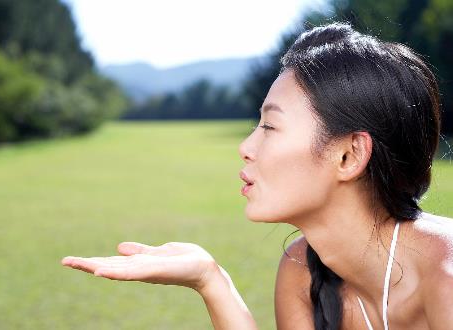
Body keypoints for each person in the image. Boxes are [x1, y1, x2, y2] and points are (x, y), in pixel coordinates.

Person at [61, 23, 453, 329]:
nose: (246, 146)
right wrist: (211, 281)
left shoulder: (446, 280)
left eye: (270, 126)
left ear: (350, 155)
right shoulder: (303, 268)